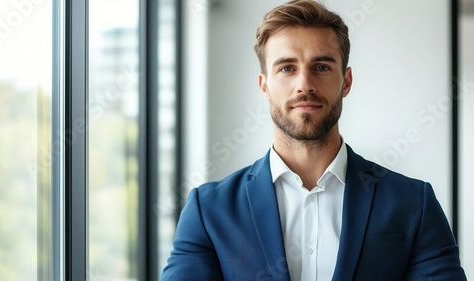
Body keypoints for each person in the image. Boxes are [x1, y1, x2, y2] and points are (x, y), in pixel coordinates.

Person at [160, 0, 467, 280]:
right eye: (287, 68)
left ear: (345, 82)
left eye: (321, 67)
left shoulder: (414, 203)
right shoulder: (209, 210)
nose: (304, 84)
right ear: (264, 86)